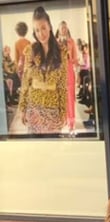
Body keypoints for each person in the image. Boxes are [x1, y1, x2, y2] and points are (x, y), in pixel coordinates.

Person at [17, 6, 67, 134]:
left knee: (53, 150)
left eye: (43, 28)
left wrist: (63, 111)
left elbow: (62, 85)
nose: (41, 33)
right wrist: (22, 108)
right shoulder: (30, 50)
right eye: (37, 30)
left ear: (50, 26)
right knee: (35, 150)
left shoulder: (61, 52)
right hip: (34, 109)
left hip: (53, 109)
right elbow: (25, 82)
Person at [56, 21, 78, 134]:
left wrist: (70, 57)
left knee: (70, 97)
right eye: (62, 28)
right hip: (59, 72)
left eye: (65, 27)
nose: (63, 29)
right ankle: (61, 121)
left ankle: (71, 123)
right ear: (59, 29)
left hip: (69, 70)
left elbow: (76, 59)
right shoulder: (54, 42)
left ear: (67, 29)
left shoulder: (71, 41)